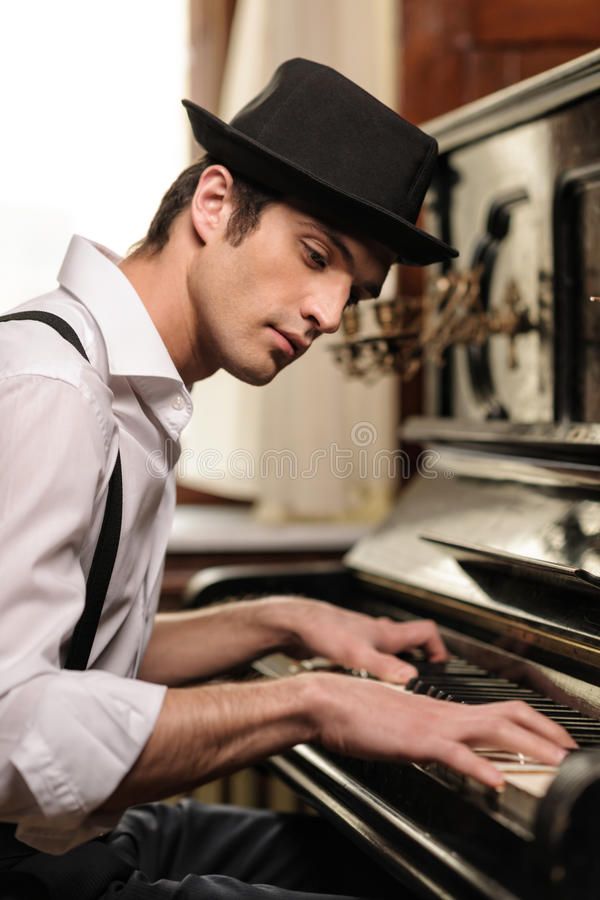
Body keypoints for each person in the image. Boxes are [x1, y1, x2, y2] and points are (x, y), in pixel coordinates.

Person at [0, 58, 575, 900]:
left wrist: (282, 620)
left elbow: (75, 656)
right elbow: (14, 725)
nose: (330, 314)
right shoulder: (54, 392)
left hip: (74, 840)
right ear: (214, 203)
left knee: (410, 873)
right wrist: (315, 704)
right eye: (316, 256)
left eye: (355, 291)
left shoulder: (128, 384)